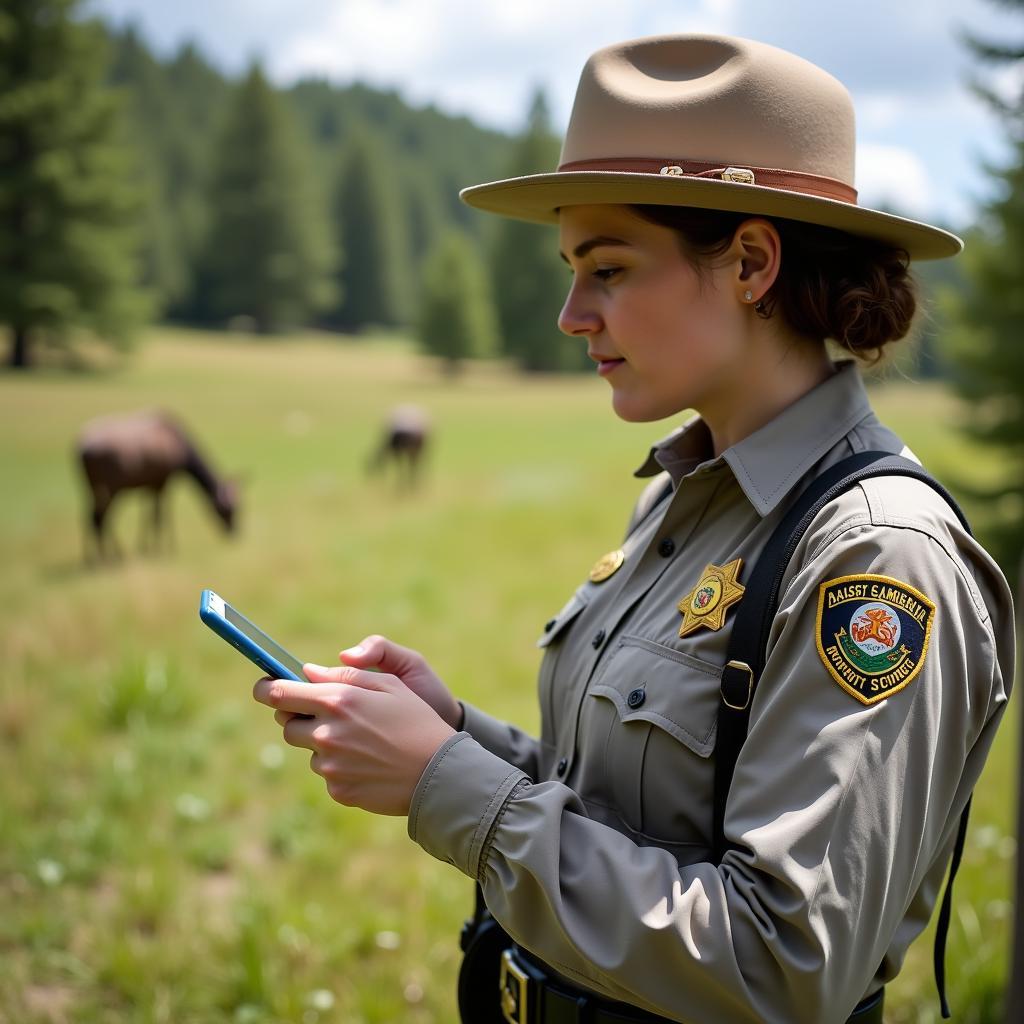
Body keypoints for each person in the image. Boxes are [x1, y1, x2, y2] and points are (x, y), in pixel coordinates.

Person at [253, 33, 1015, 1024]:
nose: (572, 313)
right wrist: (456, 739)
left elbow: (782, 965)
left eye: (606, 268)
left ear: (750, 261)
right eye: (572, 268)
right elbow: (633, 817)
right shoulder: (684, 495)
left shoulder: (874, 557)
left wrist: (447, 787)